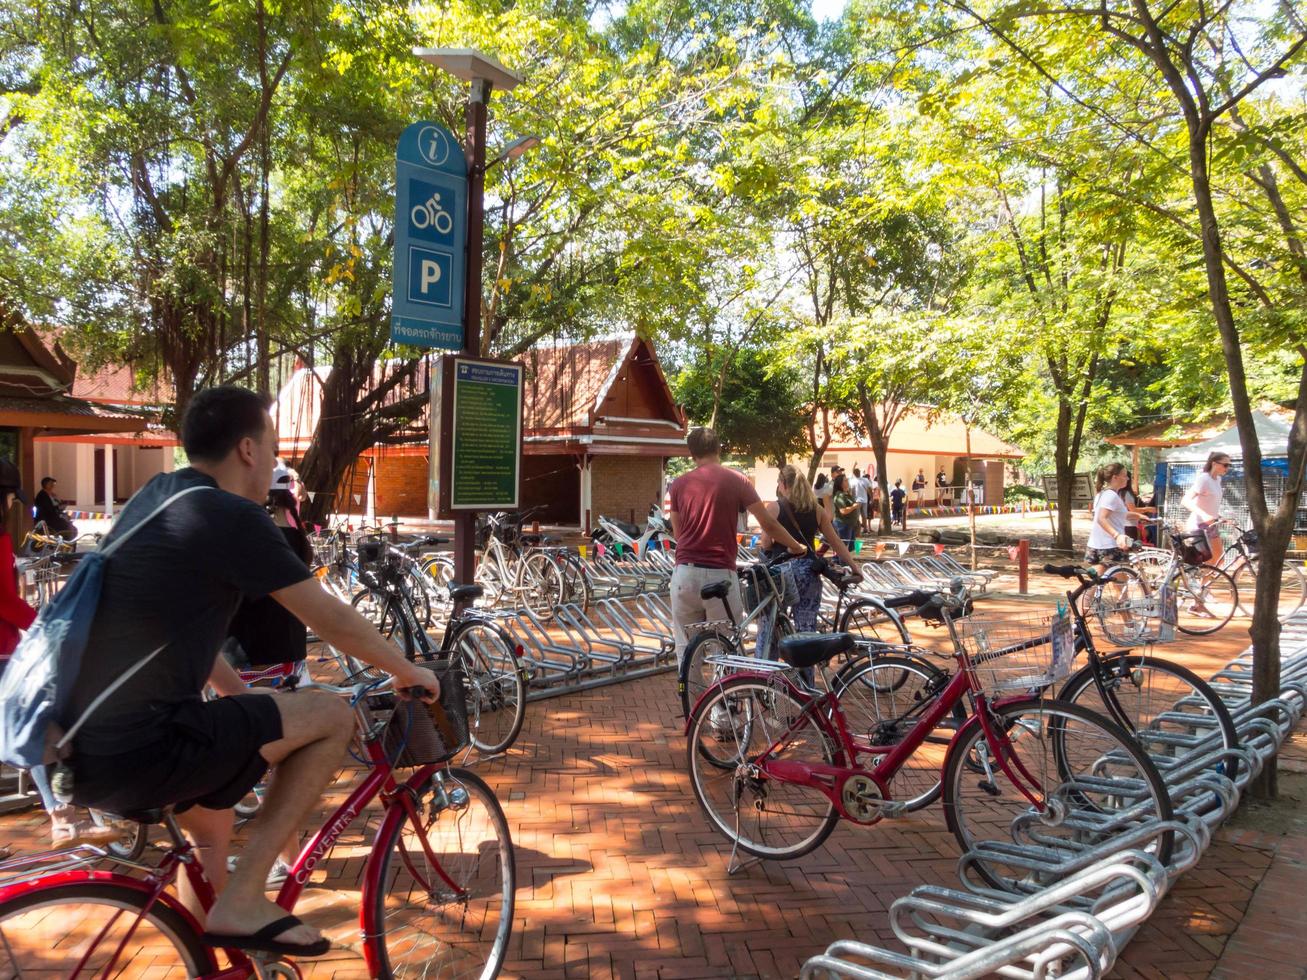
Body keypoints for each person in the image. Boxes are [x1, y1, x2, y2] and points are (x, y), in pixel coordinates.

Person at [61, 385, 441, 958]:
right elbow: (329, 618)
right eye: (270, 446)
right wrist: (407, 667)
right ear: (246, 449)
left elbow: (174, 627)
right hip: (146, 746)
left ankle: (211, 961)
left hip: (84, 745)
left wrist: (245, 703)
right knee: (332, 715)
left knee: (211, 830)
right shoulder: (232, 516)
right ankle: (244, 902)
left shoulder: (159, 497)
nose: (274, 461)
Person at [667, 428, 806, 666]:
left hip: (685, 574)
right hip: (720, 573)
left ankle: (692, 701)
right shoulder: (737, 480)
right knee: (724, 648)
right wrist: (796, 546)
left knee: (686, 651)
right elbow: (768, 524)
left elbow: (678, 533)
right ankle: (721, 703)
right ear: (718, 449)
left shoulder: (678, 485)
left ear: (692, 454)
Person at [758, 466, 862, 673]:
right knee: (807, 633)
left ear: (783, 485)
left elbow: (766, 544)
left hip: (781, 576)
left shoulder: (774, 508)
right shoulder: (817, 510)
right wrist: (854, 566)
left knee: (768, 628)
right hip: (809, 573)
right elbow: (836, 541)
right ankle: (806, 684)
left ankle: (763, 678)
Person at [1085, 463, 1148, 571]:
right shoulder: (1111, 496)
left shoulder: (1102, 494)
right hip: (1111, 547)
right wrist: (1117, 535)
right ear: (1115, 477)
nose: (1127, 478)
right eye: (1124, 475)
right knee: (1121, 584)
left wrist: (1139, 516)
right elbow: (1101, 518)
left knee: (1095, 584)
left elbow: (1118, 514)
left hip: (1096, 545)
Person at [1182, 451, 1230, 565]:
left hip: (1211, 525)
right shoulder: (1204, 479)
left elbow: (1209, 504)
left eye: (1229, 465)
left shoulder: (1218, 480)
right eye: (1225, 465)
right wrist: (1203, 515)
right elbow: (1185, 501)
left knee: (1219, 560)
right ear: (1214, 463)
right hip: (1198, 525)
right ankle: (1196, 581)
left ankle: (1204, 583)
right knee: (1206, 561)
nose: (1227, 468)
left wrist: (1219, 517)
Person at [1119, 471, 1155, 544]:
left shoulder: (1119, 492)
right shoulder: (1127, 494)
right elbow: (1133, 510)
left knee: (1127, 546)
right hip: (1129, 526)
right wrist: (1149, 509)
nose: (1131, 479)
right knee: (1131, 547)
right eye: (1129, 477)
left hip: (1123, 525)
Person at [831, 472, 860, 547]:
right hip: (843, 525)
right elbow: (843, 511)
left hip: (850, 524)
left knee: (850, 547)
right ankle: (838, 559)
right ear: (840, 483)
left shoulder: (846, 494)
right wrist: (854, 506)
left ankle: (847, 558)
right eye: (845, 480)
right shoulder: (840, 495)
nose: (847, 482)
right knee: (842, 547)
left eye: (847, 480)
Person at [851, 467, 869, 534]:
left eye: (858, 472)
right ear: (855, 473)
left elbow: (869, 489)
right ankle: (858, 529)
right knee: (858, 516)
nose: (857, 473)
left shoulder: (865, 480)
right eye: (856, 472)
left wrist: (871, 498)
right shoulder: (853, 481)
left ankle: (865, 529)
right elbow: (852, 491)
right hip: (857, 500)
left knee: (863, 515)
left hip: (862, 500)